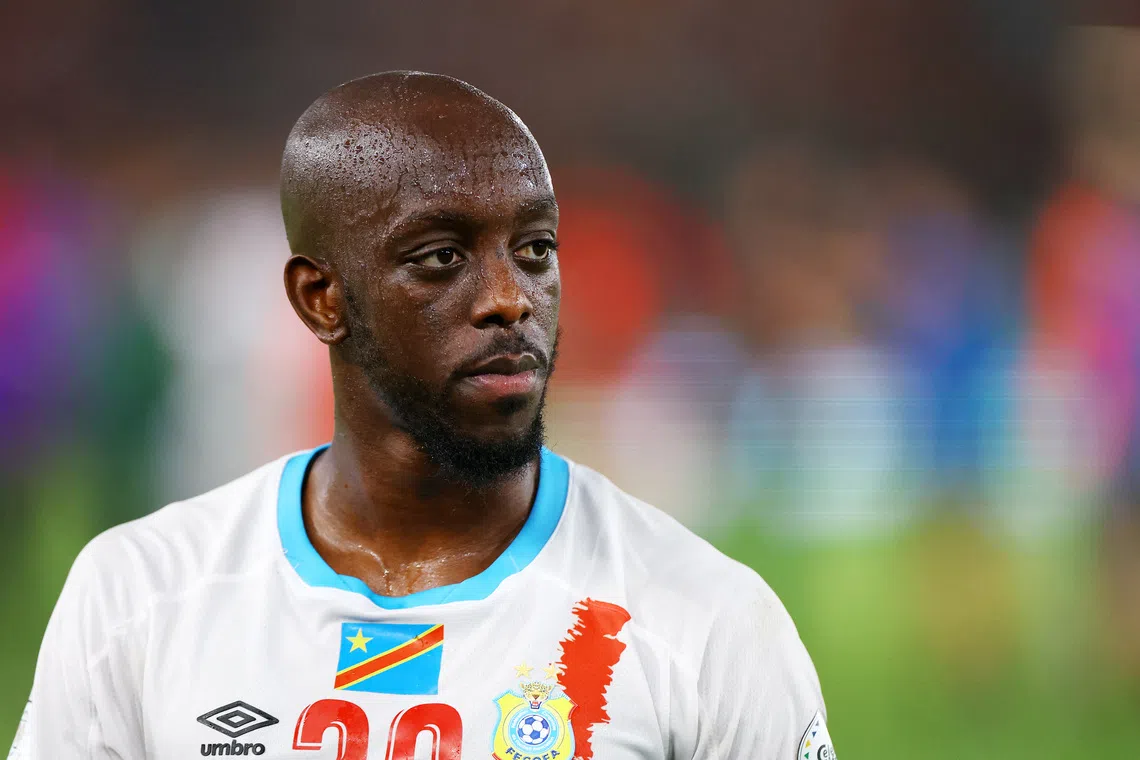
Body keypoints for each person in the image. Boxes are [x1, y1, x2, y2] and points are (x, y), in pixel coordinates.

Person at [11, 72, 833, 760]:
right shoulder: (142, 595)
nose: (511, 298)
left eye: (536, 250)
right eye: (441, 257)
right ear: (320, 297)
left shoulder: (703, 618)